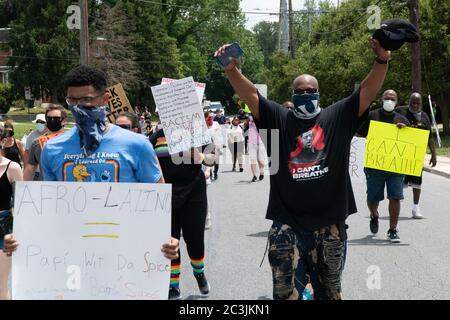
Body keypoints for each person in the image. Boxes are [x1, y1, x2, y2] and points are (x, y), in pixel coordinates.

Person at [215, 38, 391, 300]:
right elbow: (251, 95)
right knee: (286, 295)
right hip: (288, 226)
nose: (306, 94)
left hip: (329, 226)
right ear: (292, 94)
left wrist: (382, 60)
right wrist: (231, 69)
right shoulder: (279, 119)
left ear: (318, 93)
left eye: (311, 90)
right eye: (300, 91)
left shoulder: (337, 117)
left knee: (330, 294)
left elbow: (366, 91)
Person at [3, 65, 179, 272]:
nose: (79, 107)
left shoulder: (137, 145)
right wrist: (22, 236)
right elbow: (48, 208)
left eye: (86, 100)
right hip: (72, 254)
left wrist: (165, 238)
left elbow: (157, 201)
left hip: (126, 254)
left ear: (104, 100)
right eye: (72, 101)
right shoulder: (51, 148)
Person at [150, 125, 216, 300]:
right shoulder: (156, 136)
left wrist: (201, 156)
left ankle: (199, 272)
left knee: (194, 238)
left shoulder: (198, 133)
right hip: (165, 193)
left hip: (194, 192)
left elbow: (213, 158)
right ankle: (173, 285)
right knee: (170, 240)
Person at [357, 89, 409, 242]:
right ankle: (374, 214)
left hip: (395, 167)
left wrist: (404, 132)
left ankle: (392, 229)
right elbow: (359, 135)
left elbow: (410, 143)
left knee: (395, 197)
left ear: (396, 101)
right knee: (373, 197)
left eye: (392, 98)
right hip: (374, 166)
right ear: (382, 99)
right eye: (387, 98)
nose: (389, 100)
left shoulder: (402, 119)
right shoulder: (372, 116)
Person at [396, 92, 437, 219]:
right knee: (399, 181)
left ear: (420, 103)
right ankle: (396, 204)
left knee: (417, 183)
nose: (415, 105)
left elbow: (429, 137)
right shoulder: (399, 111)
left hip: (416, 155)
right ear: (409, 101)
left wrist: (434, 155)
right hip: (400, 153)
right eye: (413, 102)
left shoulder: (424, 117)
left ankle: (415, 208)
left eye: (417, 103)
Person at [0, 127, 23, 300]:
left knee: (1, 284)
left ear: (2, 141)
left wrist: (14, 231)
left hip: (4, 228)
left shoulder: (12, 167)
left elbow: (21, 204)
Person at [23, 104, 67, 181]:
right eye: (49, 118)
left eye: (56, 118)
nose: (52, 121)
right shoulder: (37, 143)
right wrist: (22, 189)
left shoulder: (72, 141)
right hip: (45, 188)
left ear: (64, 121)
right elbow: (30, 169)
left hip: (69, 188)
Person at [248, 115, 267, 182]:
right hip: (251, 143)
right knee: (253, 160)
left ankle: (262, 172)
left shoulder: (261, 123)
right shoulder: (249, 123)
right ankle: (254, 176)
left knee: (260, 160)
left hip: (260, 143)